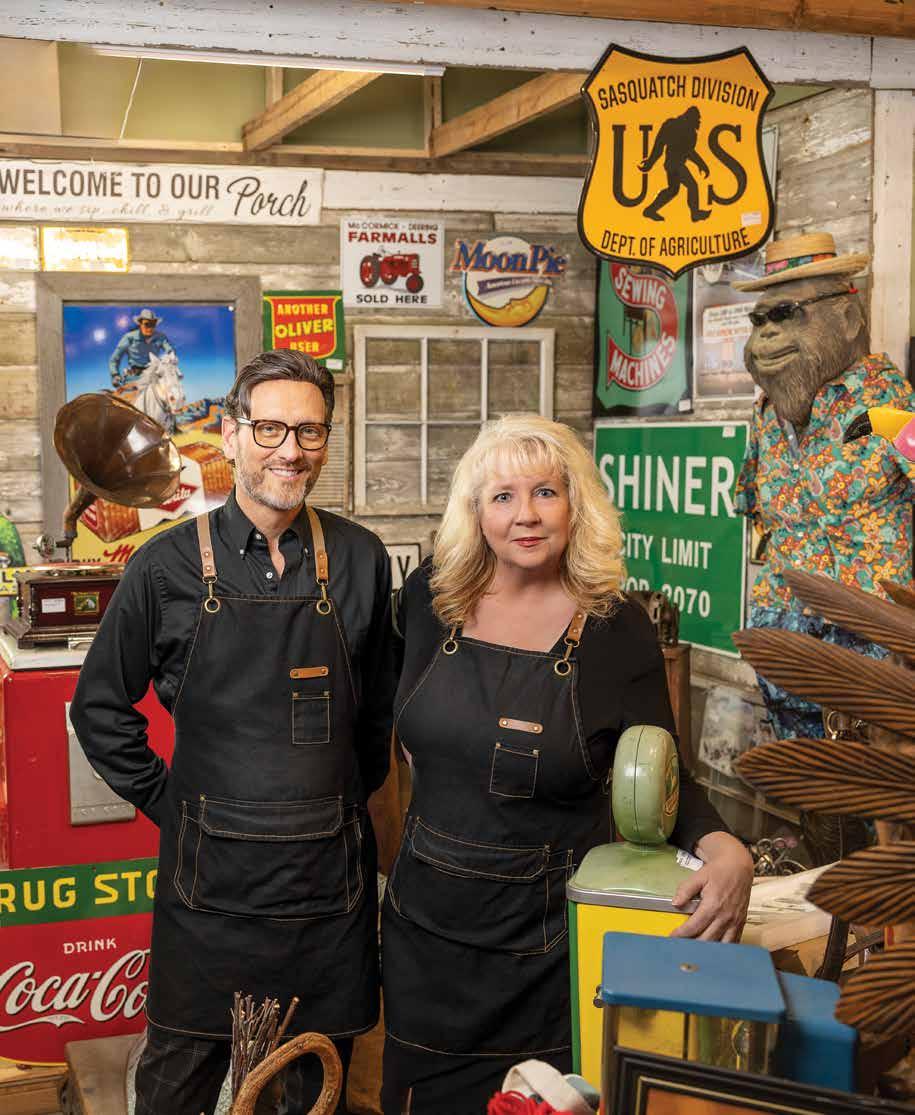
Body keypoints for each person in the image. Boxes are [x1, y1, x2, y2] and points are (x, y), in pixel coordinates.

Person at [380, 415, 752, 1114]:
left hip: (544, 952)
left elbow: (664, 776)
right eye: (502, 496)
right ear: (475, 511)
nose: (525, 514)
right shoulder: (431, 599)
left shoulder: (616, 628)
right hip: (424, 938)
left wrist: (726, 847)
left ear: (575, 504)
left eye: (545, 492)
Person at [70, 350, 395, 1115]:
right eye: (271, 427)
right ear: (230, 430)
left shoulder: (361, 559)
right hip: (209, 897)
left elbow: (378, 716)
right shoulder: (163, 568)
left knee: (317, 1090)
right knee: (175, 1089)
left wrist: (329, 803)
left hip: (327, 893)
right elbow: (99, 708)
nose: (291, 450)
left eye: (310, 431)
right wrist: (174, 803)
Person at [734, 231, 915, 739]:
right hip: (785, 629)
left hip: (870, 636)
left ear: (847, 317)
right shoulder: (768, 414)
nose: (767, 335)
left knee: (866, 773)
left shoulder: (889, 404)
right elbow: (755, 508)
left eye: (787, 313)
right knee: (800, 767)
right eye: (759, 320)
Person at [109, 307, 175, 388]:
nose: (150, 328)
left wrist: (171, 356)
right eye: (147, 324)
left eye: (153, 324)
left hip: (154, 378)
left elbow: (169, 351)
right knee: (129, 395)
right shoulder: (129, 337)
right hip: (134, 379)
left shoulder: (160, 337)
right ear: (140, 323)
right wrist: (115, 374)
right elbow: (114, 359)